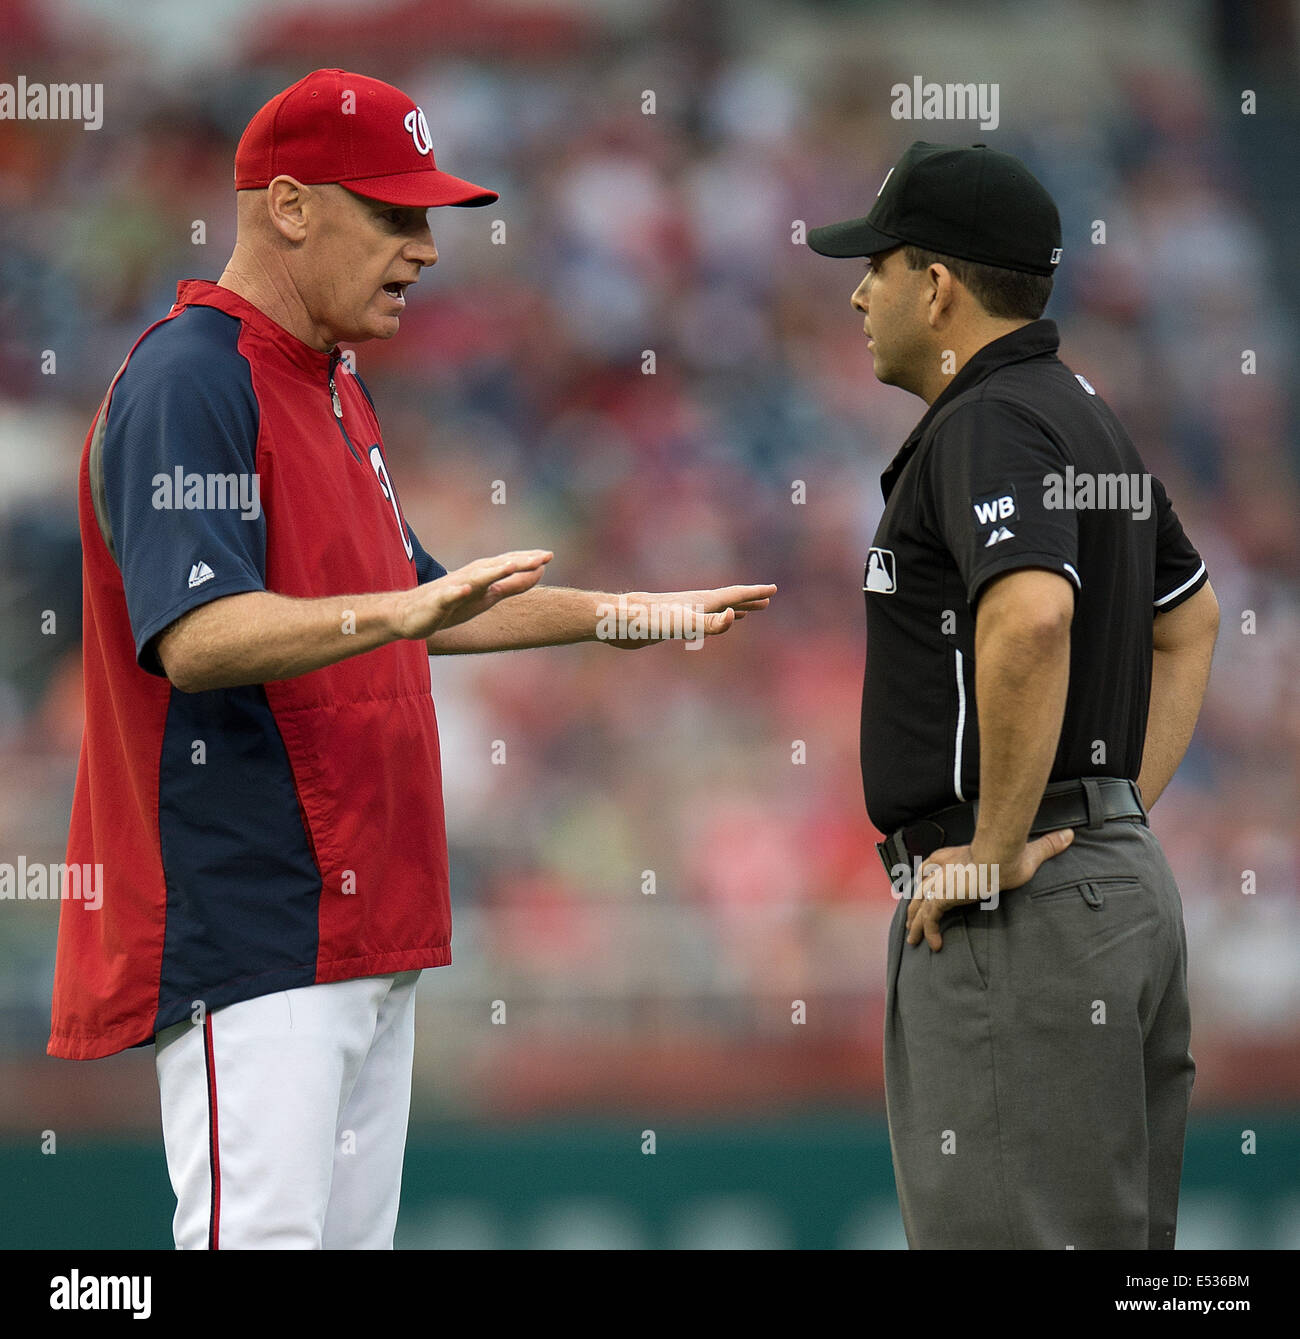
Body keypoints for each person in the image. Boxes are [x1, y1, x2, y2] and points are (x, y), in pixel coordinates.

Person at [48, 69, 775, 1250]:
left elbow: (428, 600)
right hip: (255, 919)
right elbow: (194, 637)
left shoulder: (329, 379)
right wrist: (383, 617)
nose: (425, 248)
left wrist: (625, 613)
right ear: (287, 205)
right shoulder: (192, 378)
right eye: (394, 214)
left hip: (362, 924)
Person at [808, 141, 1219, 1249]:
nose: (857, 291)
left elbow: (1031, 613)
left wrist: (997, 841)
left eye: (876, 265)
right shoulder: (1080, 408)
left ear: (934, 284)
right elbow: (1190, 620)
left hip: (1019, 913)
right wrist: (1110, 816)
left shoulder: (988, 418)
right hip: (1105, 890)